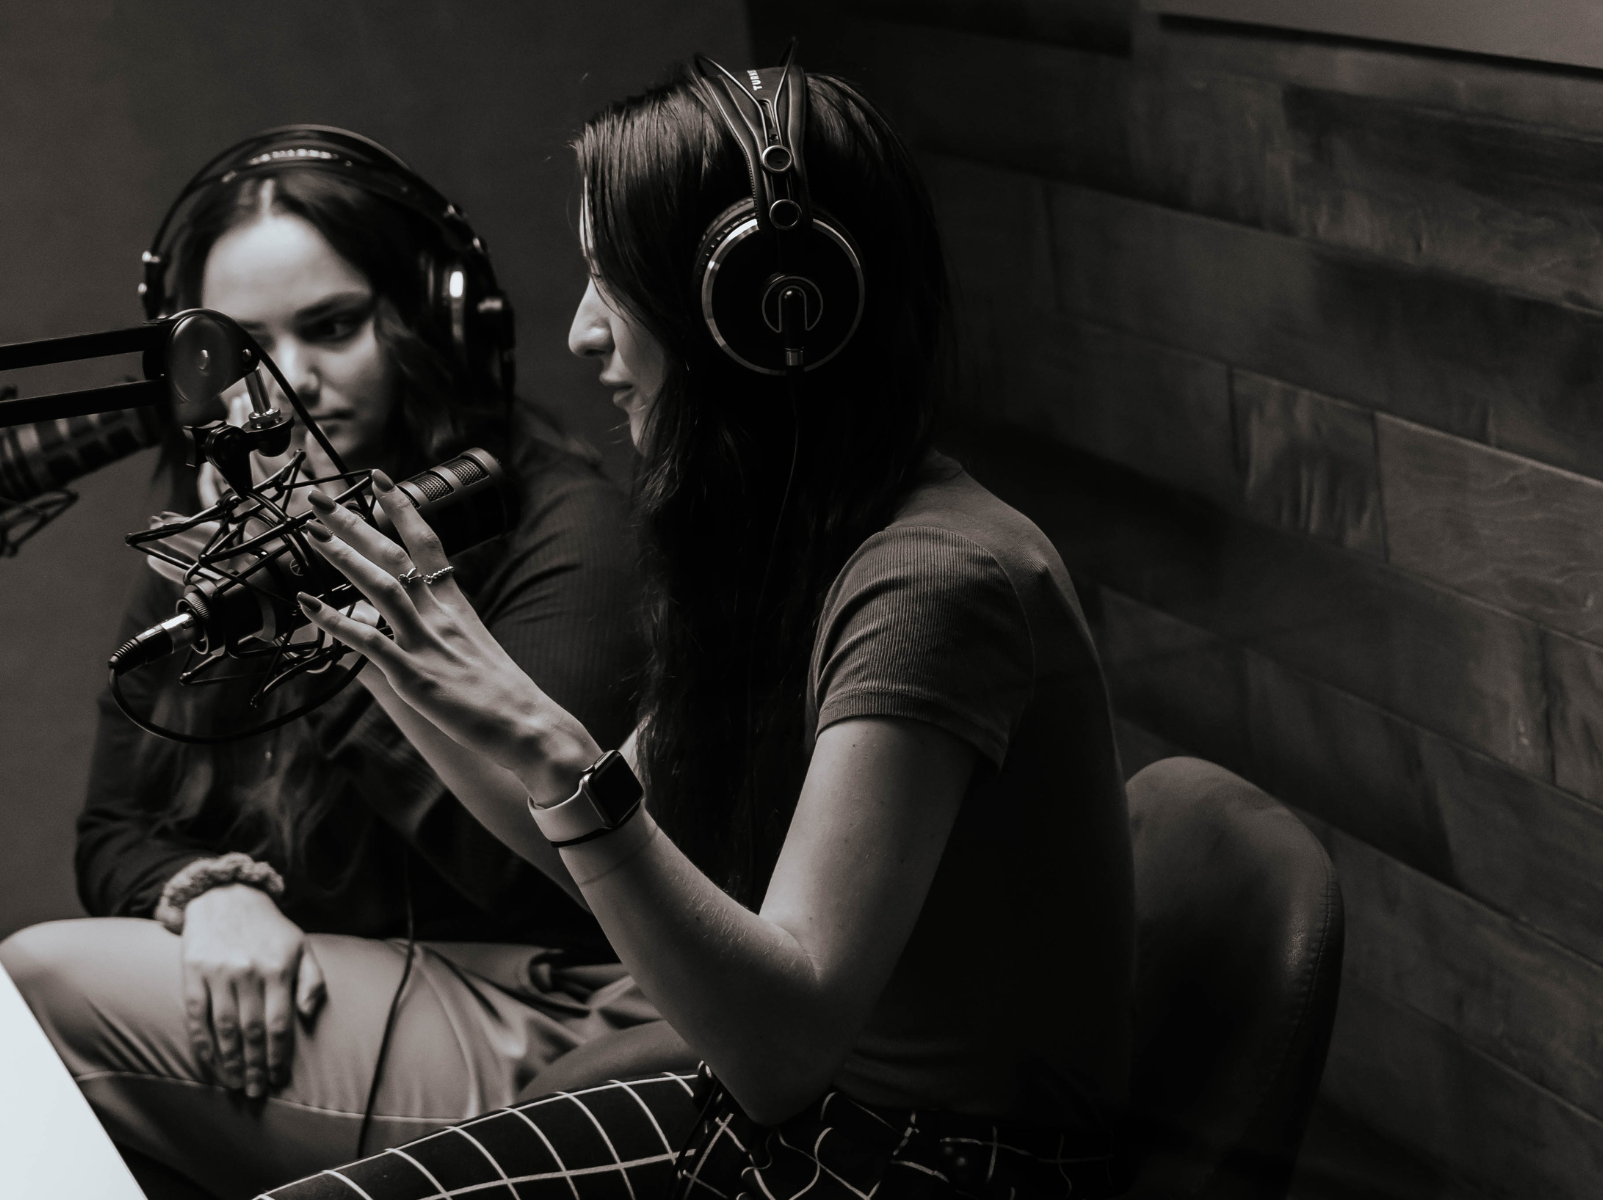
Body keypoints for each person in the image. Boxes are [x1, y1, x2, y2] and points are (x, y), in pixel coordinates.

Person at [277, 55, 1135, 1200]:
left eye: (612, 280)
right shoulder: (794, 548)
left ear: (766, 310)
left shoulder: (937, 582)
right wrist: (395, 641)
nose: (582, 334)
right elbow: (583, 844)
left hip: (929, 1168)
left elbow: (781, 1049)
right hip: (817, 1126)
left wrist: (552, 747)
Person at [0, 128, 654, 1200]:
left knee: (41, 984)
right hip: (331, 986)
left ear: (428, 323)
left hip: (546, 1010)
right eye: (236, 350)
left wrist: (322, 612)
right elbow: (116, 828)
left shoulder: (567, 532)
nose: (285, 384)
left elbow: (524, 875)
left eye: (333, 328)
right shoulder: (224, 527)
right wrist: (210, 894)